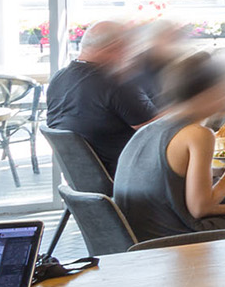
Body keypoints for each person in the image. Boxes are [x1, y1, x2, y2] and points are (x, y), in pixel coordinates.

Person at [113, 50, 225, 241]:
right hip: (172, 235)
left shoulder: (150, 129)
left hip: (136, 234)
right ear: (210, 92)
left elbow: (187, 203)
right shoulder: (198, 134)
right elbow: (200, 207)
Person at [44, 20, 156, 177]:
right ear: (116, 47)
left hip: (83, 181)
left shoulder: (59, 78)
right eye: (130, 47)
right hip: (128, 179)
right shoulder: (114, 82)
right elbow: (158, 128)